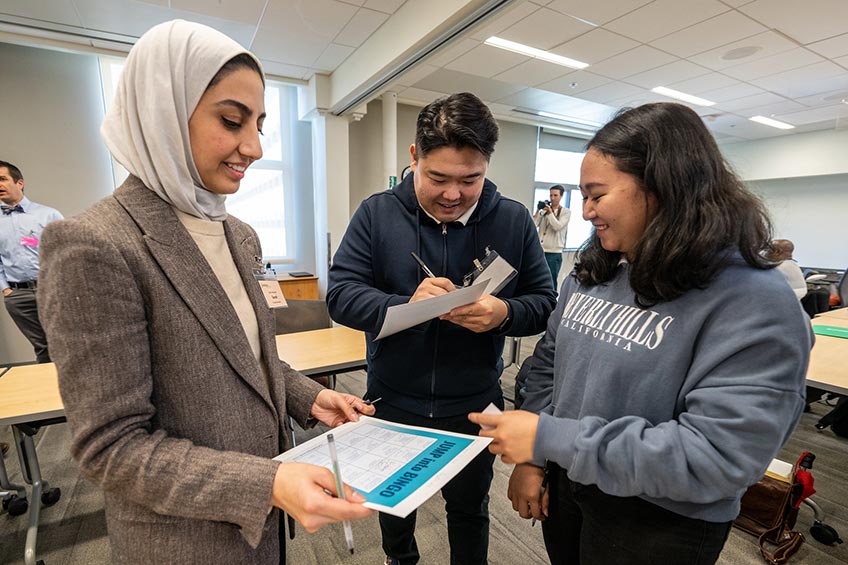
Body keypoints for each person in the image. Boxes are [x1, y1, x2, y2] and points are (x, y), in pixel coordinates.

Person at [37, 20, 373, 564]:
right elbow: (111, 447)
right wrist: (267, 483)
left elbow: (246, 358)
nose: (255, 146)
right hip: (182, 543)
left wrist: (309, 397)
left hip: (263, 532)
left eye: (260, 124)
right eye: (231, 120)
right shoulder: (93, 245)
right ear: (162, 114)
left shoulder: (238, 234)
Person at [469, 103, 812, 565]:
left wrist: (549, 439)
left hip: (659, 516)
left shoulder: (754, 299)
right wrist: (536, 460)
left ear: (661, 186)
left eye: (597, 194)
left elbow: (715, 457)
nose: (586, 211)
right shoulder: (599, 268)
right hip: (572, 484)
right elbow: (549, 363)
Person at [327, 92, 556, 565]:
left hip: (473, 404)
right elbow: (341, 295)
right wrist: (402, 304)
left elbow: (544, 304)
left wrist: (503, 315)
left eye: (470, 179)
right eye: (438, 178)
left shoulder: (511, 219)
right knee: (395, 506)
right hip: (393, 397)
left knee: (470, 510)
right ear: (414, 158)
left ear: (487, 166)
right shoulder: (377, 213)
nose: (453, 194)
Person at [0, 160, 63, 363]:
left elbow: (64, 251)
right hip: (18, 296)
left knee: (64, 342)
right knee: (43, 347)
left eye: (2, 179)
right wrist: (6, 290)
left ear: (20, 183)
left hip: (51, 289)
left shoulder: (48, 214)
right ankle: (49, 392)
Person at [533, 184, 571, 289]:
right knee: (537, 279)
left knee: (551, 281)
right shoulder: (544, 211)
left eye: (555, 195)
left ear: (561, 196)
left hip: (554, 253)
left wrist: (550, 213)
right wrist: (538, 211)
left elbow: (557, 226)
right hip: (541, 251)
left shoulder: (566, 212)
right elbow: (533, 225)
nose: (552, 198)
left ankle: (552, 303)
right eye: (551, 195)